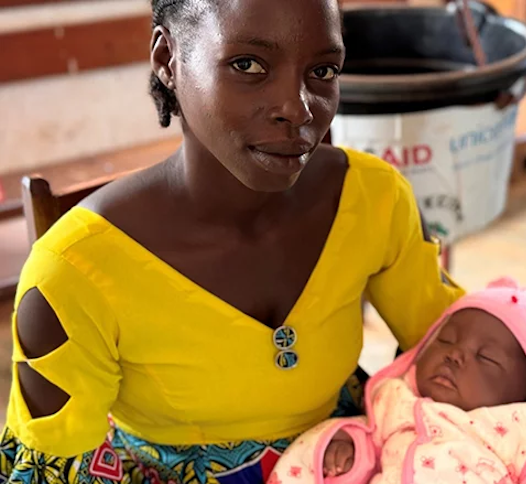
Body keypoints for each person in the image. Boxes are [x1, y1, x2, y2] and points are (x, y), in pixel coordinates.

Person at [0, 0, 463, 482]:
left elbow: (460, 346)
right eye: (248, 65)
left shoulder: (373, 198)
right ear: (167, 59)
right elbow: (57, 468)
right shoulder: (76, 270)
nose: (297, 108)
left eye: (322, 70)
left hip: (353, 461)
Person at [268, 278, 526, 484]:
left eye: (485, 358)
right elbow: (376, 445)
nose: (454, 355)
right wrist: (348, 450)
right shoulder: (400, 400)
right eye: (445, 340)